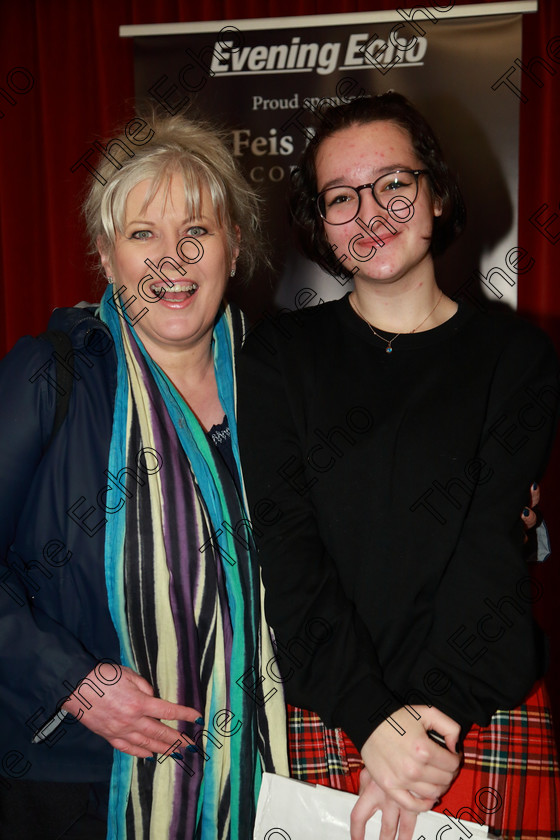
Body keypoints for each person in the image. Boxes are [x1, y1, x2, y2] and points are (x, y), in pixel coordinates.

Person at [237, 93, 560, 840]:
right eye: (341, 197)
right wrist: (373, 722)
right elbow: (287, 550)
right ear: (320, 223)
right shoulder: (280, 361)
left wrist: (425, 731)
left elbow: (491, 545)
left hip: (475, 716)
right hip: (333, 712)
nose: (370, 211)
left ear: (437, 193)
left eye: (395, 184)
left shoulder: (517, 359)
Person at [0, 113, 288, 840]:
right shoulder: (48, 376)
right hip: (79, 783)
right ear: (105, 254)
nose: (173, 258)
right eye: (142, 234)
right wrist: (71, 682)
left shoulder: (284, 387)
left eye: (198, 229)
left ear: (236, 244)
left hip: (261, 780)